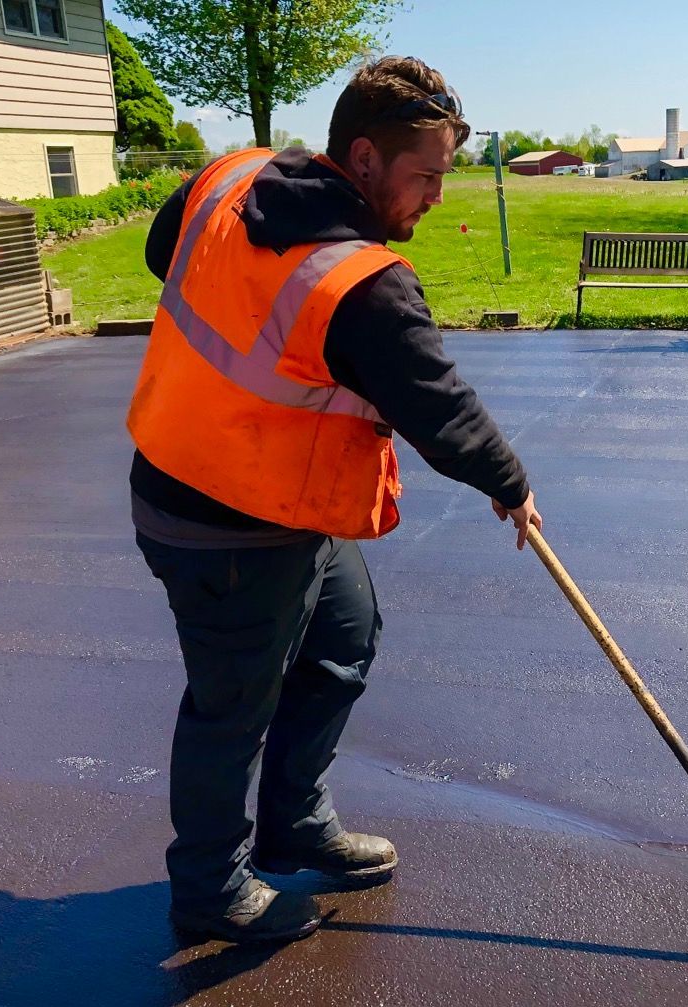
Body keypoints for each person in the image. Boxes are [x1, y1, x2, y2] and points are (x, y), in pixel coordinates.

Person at [128, 57, 541, 946]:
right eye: (424, 176)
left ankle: (296, 824)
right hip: (218, 524)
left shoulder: (233, 176)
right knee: (232, 704)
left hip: (284, 501)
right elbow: (438, 406)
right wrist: (512, 487)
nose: (436, 195)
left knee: (344, 638)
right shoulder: (365, 285)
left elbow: (165, 253)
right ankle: (208, 888)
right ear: (362, 157)